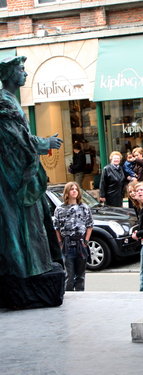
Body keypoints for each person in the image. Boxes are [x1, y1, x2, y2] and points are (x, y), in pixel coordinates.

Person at [0, 56, 65, 309]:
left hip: (17, 180)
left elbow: (22, 137)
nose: (25, 73)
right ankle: (24, 270)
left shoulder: (11, 102)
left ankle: (31, 267)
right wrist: (44, 144)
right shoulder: (4, 103)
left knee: (28, 227)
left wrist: (40, 142)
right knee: (19, 229)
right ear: (9, 74)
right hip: (13, 182)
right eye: (21, 69)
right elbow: (17, 141)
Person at [53, 182, 93, 291]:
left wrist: (86, 241)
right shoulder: (59, 209)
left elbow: (89, 226)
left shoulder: (84, 208)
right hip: (67, 245)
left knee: (80, 275)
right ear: (67, 192)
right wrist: (60, 243)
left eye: (76, 189)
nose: (74, 191)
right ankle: (69, 295)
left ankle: (80, 295)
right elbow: (56, 228)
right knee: (69, 275)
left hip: (80, 244)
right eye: (72, 189)